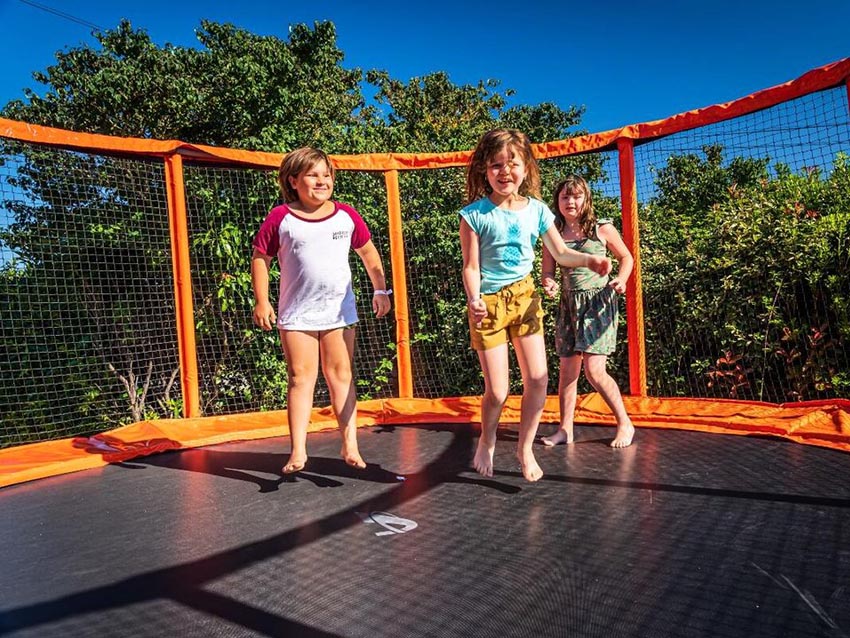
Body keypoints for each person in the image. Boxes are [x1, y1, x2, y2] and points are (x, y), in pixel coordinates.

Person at [459, 130, 612, 482]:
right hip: (490, 304)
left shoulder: (538, 211)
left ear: (525, 168)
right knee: (498, 391)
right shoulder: (474, 215)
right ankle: (487, 439)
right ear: (485, 170)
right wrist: (474, 299)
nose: (504, 172)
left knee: (539, 379)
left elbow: (561, 253)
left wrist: (589, 261)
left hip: (525, 299)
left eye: (512, 164)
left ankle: (524, 448)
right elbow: (470, 266)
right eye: (496, 165)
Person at [251, 147, 392, 474]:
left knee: (341, 374)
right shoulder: (281, 217)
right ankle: (298, 451)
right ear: (293, 181)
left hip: (339, 313)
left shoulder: (346, 215)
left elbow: (369, 253)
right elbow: (261, 258)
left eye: (326, 175)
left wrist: (380, 289)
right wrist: (262, 300)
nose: (321, 181)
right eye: (312, 175)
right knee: (300, 377)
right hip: (297, 314)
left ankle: (350, 444)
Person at [539, 174, 635, 448]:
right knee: (567, 370)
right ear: (557, 201)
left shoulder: (601, 228)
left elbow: (626, 257)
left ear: (586, 199)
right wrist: (549, 283)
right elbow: (548, 271)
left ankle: (625, 423)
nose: (570, 201)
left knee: (594, 370)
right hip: (569, 305)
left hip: (597, 304)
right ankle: (565, 430)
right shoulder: (553, 233)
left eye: (576, 196)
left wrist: (621, 279)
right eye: (565, 197)